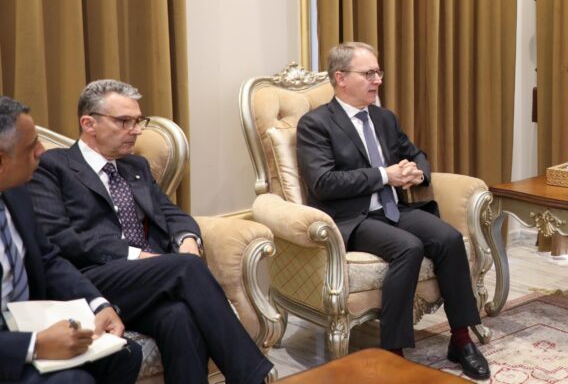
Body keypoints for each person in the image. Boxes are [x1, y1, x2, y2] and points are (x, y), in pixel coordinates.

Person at [28, 81, 272, 384]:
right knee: (186, 268)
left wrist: (188, 240)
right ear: (89, 124)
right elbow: (59, 236)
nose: (136, 131)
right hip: (91, 278)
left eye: (138, 121)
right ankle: (252, 376)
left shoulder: (136, 167)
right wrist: (138, 256)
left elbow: (171, 213)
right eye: (124, 121)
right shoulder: (52, 166)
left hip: (149, 281)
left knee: (178, 315)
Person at [296, 42, 490, 380]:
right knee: (408, 247)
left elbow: (416, 153)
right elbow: (323, 182)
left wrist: (417, 172)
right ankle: (393, 353)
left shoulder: (384, 118)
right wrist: (385, 175)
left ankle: (461, 340)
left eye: (378, 72)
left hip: (393, 208)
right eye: (368, 73)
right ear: (341, 78)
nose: (378, 80)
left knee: (448, 238)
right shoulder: (316, 124)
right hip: (353, 218)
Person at [0, 96, 142, 384]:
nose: (42, 151)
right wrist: (34, 345)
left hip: (26, 321)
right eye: (31, 147)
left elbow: (48, 259)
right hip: (9, 347)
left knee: (125, 354)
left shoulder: (16, 191)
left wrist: (98, 304)